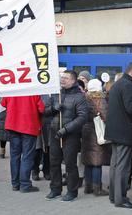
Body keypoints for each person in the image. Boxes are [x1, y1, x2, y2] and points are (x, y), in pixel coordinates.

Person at [105, 64, 132, 209]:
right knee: (123, 167)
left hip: (115, 131)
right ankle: (121, 199)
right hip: (124, 132)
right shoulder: (128, 85)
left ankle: (114, 196)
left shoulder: (117, 84)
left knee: (115, 165)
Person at [46, 70, 88, 202]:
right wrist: (53, 108)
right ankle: (55, 189)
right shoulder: (56, 94)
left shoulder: (79, 97)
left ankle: (72, 192)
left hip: (70, 135)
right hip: (54, 134)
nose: (62, 80)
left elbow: (82, 117)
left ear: (73, 81)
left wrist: (66, 129)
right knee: (54, 163)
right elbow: (45, 111)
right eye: (62, 77)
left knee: (70, 165)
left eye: (66, 78)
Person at [1, 96, 45, 192]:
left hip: (13, 125)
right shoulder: (33, 91)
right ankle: (25, 184)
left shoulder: (12, 88)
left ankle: (15, 184)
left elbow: (3, 104)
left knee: (15, 156)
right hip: (29, 126)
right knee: (27, 156)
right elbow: (41, 108)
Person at [81, 79, 111, 197]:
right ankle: (97, 188)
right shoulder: (100, 99)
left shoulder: (84, 98)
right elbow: (106, 116)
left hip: (86, 130)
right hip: (97, 131)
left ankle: (87, 186)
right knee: (97, 161)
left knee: (88, 160)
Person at [32, 94, 53, 181]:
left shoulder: (56, 93)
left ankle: (47, 170)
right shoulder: (39, 92)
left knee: (48, 149)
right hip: (38, 123)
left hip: (50, 124)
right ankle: (35, 170)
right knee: (37, 149)